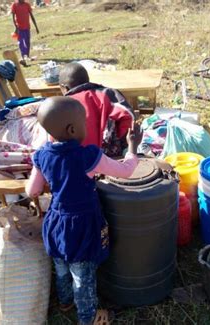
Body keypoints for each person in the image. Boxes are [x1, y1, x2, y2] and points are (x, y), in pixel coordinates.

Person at [25, 97, 142, 325]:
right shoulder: (88, 156)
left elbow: (32, 190)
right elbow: (126, 171)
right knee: (83, 276)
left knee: (60, 266)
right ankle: (88, 318)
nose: (87, 127)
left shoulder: (41, 155)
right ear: (72, 129)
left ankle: (65, 301)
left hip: (56, 223)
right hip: (82, 227)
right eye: (84, 123)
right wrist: (133, 146)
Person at [59, 62, 134, 157]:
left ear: (65, 88)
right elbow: (128, 116)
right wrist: (119, 138)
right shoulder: (108, 93)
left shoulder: (63, 105)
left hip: (78, 159)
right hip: (110, 156)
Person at [11, 0, 39, 65]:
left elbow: (32, 16)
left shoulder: (27, 5)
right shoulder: (14, 5)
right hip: (19, 28)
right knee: (21, 43)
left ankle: (27, 56)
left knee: (27, 42)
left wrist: (36, 27)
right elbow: (13, 18)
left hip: (27, 27)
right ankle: (23, 57)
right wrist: (15, 27)